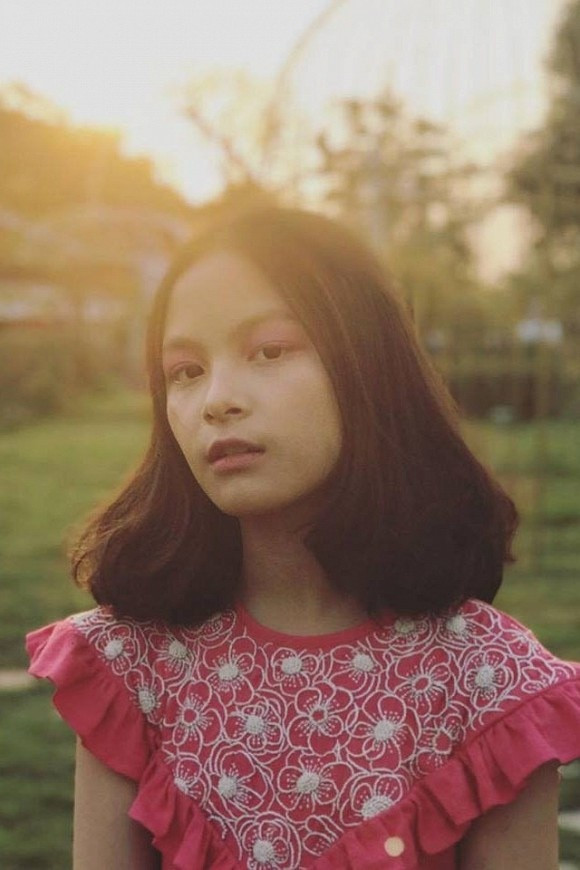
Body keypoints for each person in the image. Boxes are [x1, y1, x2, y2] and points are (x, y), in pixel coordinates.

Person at [27, 204, 580, 870]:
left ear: (366, 365)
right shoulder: (129, 667)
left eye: (269, 351)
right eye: (186, 370)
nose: (217, 400)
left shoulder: (490, 685)